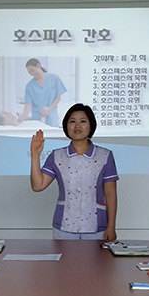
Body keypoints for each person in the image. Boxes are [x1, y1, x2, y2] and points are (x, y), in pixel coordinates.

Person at [30, 103, 118, 241]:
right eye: (72, 121)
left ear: (91, 126)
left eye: (83, 121)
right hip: (64, 227)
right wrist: (35, 155)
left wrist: (111, 226)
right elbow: (38, 185)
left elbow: (110, 193)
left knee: (96, 263)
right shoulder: (57, 156)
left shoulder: (104, 155)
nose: (77, 126)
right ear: (66, 126)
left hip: (96, 227)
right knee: (65, 263)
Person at [20, 58, 67, 127]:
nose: (32, 74)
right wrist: (22, 117)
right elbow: (28, 105)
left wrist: (49, 109)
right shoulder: (30, 86)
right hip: (37, 120)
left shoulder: (54, 78)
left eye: (32, 70)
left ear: (38, 66)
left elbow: (58, 98)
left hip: (52, 118)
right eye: (29, 72)